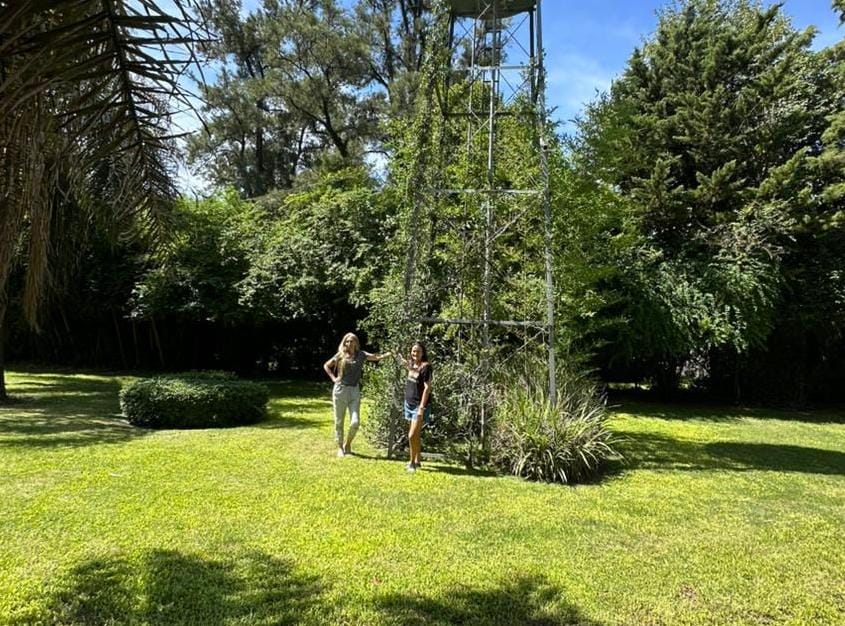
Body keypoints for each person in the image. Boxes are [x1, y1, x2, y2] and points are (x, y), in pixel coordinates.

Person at [323, 332, 389, 457]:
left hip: (354, 390)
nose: (349, 343)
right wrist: (333, 378)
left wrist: (389, 354)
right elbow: (326, 365)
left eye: (351, 341)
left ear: (356, 342)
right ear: (344, 343)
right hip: (340, 391)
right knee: (339, 421)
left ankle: (348, 444)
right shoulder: (341, 355)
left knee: (355, 422)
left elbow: (376, 357)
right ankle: (340, 447)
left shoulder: (361, 355)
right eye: (347, 341)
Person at [398, 341, 432, 473]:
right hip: (409, 403)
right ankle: (417, 460)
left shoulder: (426, 367)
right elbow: (409, 367)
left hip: (419, 405)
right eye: (413, 351)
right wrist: (400, 357)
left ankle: (411, 463)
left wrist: (422, 408)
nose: (415, 354)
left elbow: (427, 388)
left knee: (411, 435)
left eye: (418, 351)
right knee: (416, 434)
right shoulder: (413, 365)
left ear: (423, 353)